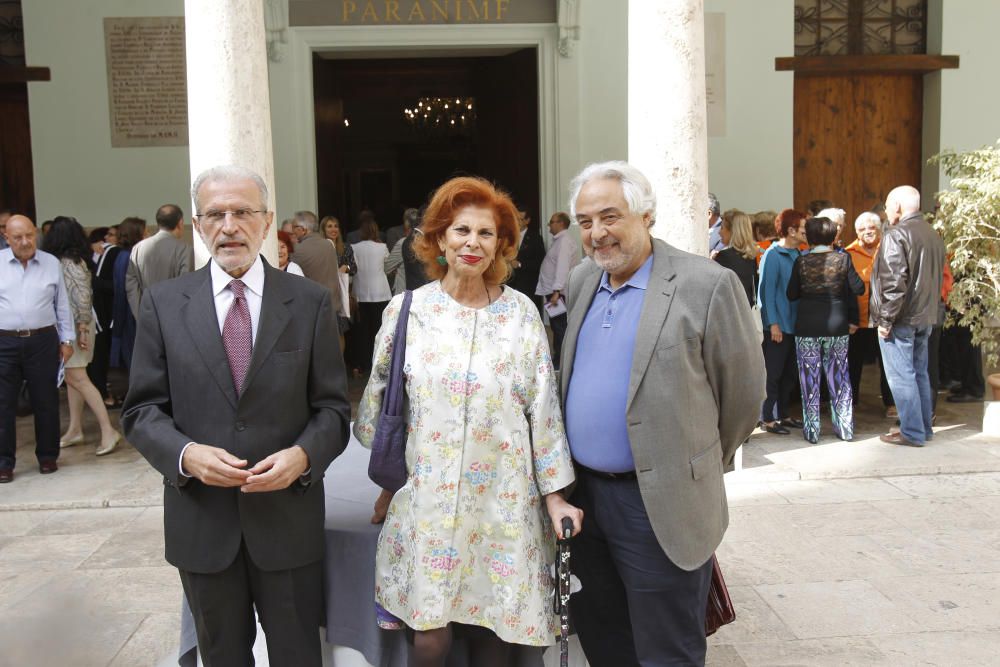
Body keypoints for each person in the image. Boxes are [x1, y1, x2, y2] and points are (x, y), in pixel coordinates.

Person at [122, 165, 350, 666]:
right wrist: (185, 455)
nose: (229, 225)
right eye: (215, 214)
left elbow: (333, 409)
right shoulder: (163, 305)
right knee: (222, 656)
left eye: (242, 212)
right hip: (203, 522)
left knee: (297, 655)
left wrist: (303, 456)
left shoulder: (309, 303)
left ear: (267, 222)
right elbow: (141, 410)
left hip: (287, 521)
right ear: (198, 225)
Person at [354, 175, 581, 666]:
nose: (473, 244)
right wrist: (393, 482)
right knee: (430, 637)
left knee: (494, 634)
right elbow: (377, 409)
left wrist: (556, 496)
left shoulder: (521, 314)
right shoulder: (405, 312)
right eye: (461, 230)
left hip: (505, 500)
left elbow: (542, 410)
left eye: (486, 233)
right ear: (438, 237)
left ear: (501, 244)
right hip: (428, 500)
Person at [560, 161, 763, 665]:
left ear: (646, 214)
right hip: (586, 501)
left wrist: (690, 467)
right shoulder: (584, 278)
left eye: (610, 216)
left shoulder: (705, 284)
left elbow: (743, 397)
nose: (598, 233)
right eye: (585, 222)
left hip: (659, 506)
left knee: (666, 651)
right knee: (606, 642)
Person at [0, 215, 75, 482]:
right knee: (3, 403)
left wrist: (67, 340)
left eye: (29, 235)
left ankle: (47, 457)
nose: (25, 242)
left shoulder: (50, 263)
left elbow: (62, 304)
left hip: (43, 340)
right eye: (18, 237)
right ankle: (4, 463)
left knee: (45, 401)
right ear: (6, 238)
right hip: (4, 342)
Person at [870, 185, 946, 447]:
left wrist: (885, 320)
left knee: (901, 376)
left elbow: (894, 281)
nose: (886, 211)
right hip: (926, 315)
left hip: (902, 317)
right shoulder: (932, 234)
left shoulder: (897, 234)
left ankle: (912, 431)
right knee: (919, 373)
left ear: (898, 207)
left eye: (889, 205)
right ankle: (922, 429)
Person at [42, 217, 123, 456]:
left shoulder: (69, 263)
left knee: (78, 378)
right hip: (78, 326)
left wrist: (82, 331)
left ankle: (108, 431)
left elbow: (83, 299)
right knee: (72, 378)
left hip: (77, 328)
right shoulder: (73, 260)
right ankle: (75, 429)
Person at [786, 217, 865, 443]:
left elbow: (791, 294)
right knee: (839, 376)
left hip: (807, 325)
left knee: (809, 378)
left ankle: (812, 431)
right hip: (837, 326)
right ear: (833, 236)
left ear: (809, 237)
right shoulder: (843, 259)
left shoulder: (801, 262)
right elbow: (858, 288)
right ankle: (845, 429)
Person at [758, 209, 808, 434]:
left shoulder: (798, 254)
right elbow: (766, 292)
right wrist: (773, 323)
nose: (806, 233)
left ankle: (784, 414)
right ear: (791, 230)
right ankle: (767, 418)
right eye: (803, 229)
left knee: (789, 374)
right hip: (778, 326)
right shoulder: (772, 254)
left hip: (795, 324)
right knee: (773, 374)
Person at [846, 212, 892, 409]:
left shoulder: (890, 248)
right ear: (856, 232)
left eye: (871, 228)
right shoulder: (849, 253)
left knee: (887, 364)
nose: (867, 232)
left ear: (879, 229)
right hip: (858, 319)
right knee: (853, 363)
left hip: (883, 318)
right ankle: (851, 402)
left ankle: (891, 404)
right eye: (862, 229)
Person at [125, 204, 193, 317]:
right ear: (180, 223)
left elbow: (131, 284)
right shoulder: (184, 249)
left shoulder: (138, 248)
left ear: (158, 222)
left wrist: (139, 314)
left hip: (146, 312)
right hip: (174, 315)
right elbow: (186, 286)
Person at [535, 211, 580, 369]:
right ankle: (560, 357)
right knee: (556, 325)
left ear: (561, 223)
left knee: (559, 326)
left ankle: (561, 361)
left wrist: (556, 292)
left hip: (557, 294)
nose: (549, 225)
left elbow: (562, 268)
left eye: (552, 222)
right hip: (555, 292)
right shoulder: (559, 241)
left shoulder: (564, 242)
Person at [86, 227, 123, 407]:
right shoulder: (107, 252)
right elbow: (97, 282)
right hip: (100, 314)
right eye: (106, 235)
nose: (107, 239)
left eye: (111, 235)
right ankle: (101, 393)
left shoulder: (113, 253)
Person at [351, 218, 392, 373]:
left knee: (361, 330)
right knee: (378, 329)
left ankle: (362, 363)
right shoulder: (382, 247)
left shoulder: (354, 247)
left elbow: (353, 268)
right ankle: (378, 363)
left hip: (360, 292)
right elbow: (388, 265)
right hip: (380, 292)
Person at [291, 210, 344, 321]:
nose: (293, 231)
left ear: (303, 229)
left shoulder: (298, 250)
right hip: (332, 304)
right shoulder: (328, 245)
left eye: (294, 227)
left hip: (313, 309)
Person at [109, 217, 145, 371]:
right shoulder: (126, 257)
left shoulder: (127, 255)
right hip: (129, 316)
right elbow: (121, 292)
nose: (148, 234)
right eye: (145, 231)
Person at [713, 210, 759, 306]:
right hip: (746, 311)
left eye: (722, 228)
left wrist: (712, 262)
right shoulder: (751, 256)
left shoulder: (724, 256)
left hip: (730, 311)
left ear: (732, 231)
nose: (719, 232)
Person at [508, 210, 545, 316]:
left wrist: (520, 264)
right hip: (509, 283)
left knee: (527, 314)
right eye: (515, 219)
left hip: (527, 284)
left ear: (527, 220)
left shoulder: (535, 238)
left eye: (520, 219)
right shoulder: (509, 237)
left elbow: (539, 262)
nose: (517, 222)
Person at [383, 208, 419, 295]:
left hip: (405, 294)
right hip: (427, 294)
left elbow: (387, 268)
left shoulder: (403, 243)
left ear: (406, 224)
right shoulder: (431, 242)